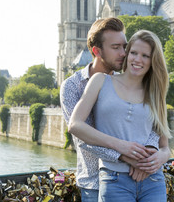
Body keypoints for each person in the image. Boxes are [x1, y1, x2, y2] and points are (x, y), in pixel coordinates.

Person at [60, 18, 165, 202]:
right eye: (116, 47)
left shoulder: (129, 81)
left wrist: (146, 155)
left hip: (139, 174)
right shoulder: (72, 86)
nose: (124, 54)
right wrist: (125, 155)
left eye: (125, 47)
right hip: (94, 181)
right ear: (96, 51)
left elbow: (152, 125)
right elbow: (84, 140)